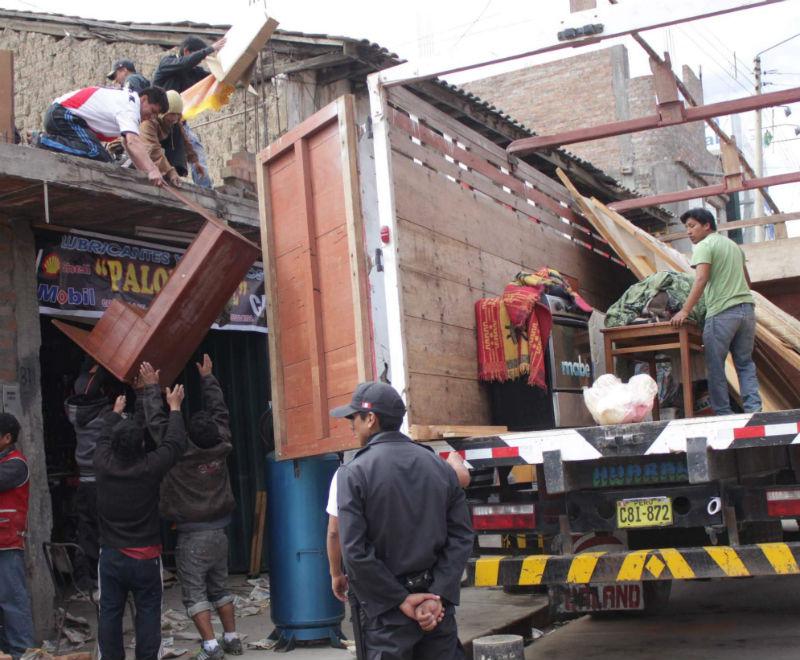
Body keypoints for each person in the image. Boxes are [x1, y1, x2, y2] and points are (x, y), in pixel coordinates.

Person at [333, 382, 474, 660]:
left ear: (371, 419)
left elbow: (355, 552)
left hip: (386, 618)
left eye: (354, 418)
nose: (351, 426)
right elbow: (461, 536)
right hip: (435, 611)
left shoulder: (353, 473)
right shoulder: (440, 467)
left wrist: (400, 600)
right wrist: (437, 596)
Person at [139, 357, 242, 660]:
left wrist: (152, 391)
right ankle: (232, 638)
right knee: (220, 586)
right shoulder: (221, 443)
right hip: (219, 532)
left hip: (191, 536)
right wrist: (208, 378)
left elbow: (157, 426)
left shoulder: (179, 451)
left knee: (195, 593)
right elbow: (220, 413)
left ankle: (211, 647)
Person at [94, 384, 187, 660]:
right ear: (143, 445)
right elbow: (175, 444)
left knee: (109, 612)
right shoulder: (149, 467)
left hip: (110, 555)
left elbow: (101, 437)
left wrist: (114, 414)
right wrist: (175, 408)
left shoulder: (102, 462)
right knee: (148, 614)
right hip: (146, 556)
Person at [326, 453, 470, 603]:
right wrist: (438, 594)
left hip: (383, 603)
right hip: (431, 590)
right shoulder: (433, 463)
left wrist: (336, 573)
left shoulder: (349, 473)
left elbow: (335, 532)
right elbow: (460, 535)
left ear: (369, 427)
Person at [671, 207, 762, 415]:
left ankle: (723, 414)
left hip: (722, 313)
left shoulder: (704, 245)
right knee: (745, 364)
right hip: (747, 312)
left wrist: (685, 310)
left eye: (692, 226)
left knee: (715, 365)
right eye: (686, 227)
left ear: (707, 225)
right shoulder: (734, 246)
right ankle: (754, 410)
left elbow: (701, 279)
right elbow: (747, 282)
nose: (689, 231)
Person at [37, 85, 168, 187]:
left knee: (105, 160)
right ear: (144, 98)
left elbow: (128, 144)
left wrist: (144, 173)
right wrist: (152, 169)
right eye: (152, 111)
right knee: (94, 152)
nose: (150, 117)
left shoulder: (128, 102)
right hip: (62, 115)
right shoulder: (130, 106)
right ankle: (42, 140)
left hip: (66, 117)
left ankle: (48, 141)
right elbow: (133, 142)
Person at [64, 358, 111, 593]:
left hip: (84, 481)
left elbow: (86, 387)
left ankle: (84, 578)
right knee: (106, 532)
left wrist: (90, 369)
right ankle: (107, 578)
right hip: (102, 483)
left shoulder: (73, 411)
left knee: (86, 529)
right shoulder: (105, 417)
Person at [153, 35, 226, 188]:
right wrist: (210, 49)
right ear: (186, 52)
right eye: (198, 56)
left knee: (195, 150)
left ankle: (205, 189)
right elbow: (184, 64)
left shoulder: (193, 73)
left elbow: (216, 78)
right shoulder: (168, 63)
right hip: (157, 121)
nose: (199, 62)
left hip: (177, 123)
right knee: (154, 148)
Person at [0, 413, 35, 660]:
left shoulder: (16, 464)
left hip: (8, 543)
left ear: (7, 438)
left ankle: (23, 652)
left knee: (12, 601)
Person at [138, 90, 200, 187]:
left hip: (160, 158)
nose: (174, 118)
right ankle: (167, 171)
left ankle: (172, 170)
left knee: (177, 131)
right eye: (171, 114)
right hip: (139, 155)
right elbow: (153, 150)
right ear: (163, 112)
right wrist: (170, 171)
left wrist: (195, 161)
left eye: (177, 115)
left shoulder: (175, 124)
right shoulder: (149, 123)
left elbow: (185, 141)